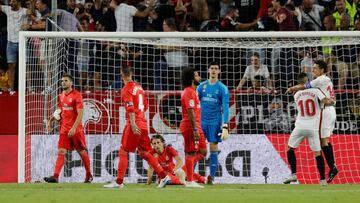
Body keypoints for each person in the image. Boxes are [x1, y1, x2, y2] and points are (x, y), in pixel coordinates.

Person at [104, 66, 171, 188]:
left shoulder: (126, 89)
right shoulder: (139, 87)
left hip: (134, 124)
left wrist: (133, 124)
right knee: (145, 153)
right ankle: (164, 176)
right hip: (144, 123)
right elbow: (145, 106)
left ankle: (119, 182)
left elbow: (130, 107)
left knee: (123, 151)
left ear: (121, 75)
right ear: (132, 74)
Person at [286, 60, 339, 183]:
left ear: (322, 70)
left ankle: (332, 167)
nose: (313, 70)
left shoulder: (320, 80)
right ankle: (332, 167)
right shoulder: (326, 80)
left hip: (325, 112)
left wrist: (292, 88)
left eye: (315, 68)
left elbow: (304, 86)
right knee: (324, 141)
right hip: (329, 110)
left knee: (323, 142)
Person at [44, 74, 93, 183]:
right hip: (64, 129)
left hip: (76, 130)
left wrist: (74, 128)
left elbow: (81, 114)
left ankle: (89, 174)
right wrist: (51, 120)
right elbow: (60, 111)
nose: (63, 82)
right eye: (62, 81)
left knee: (82, 152)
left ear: (71, 83)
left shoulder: (77, 95)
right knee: (61, 151)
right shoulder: (61, 96)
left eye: (66, 81)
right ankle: (55, 176)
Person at [196, 62, 229, 185]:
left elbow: (225, 107)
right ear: (208, 70)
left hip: (215, 121)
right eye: (212, 68)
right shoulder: (201, 86)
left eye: (216, 69)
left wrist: (225, 124)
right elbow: (195, 102)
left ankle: (212, 177)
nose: (214, 71)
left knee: (213, 148)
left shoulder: (222, 88)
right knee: (196, 148)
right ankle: (190, 176)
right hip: (201, 121)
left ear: (219, 71)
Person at [180, 67, 207, 188]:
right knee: (190, 152)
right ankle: (190, 181)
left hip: (196, 125)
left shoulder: (192, 91)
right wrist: (195, 129)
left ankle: (183, 170)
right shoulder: (189, 92)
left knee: (203, 151)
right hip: (191, 126)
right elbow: (190, 112)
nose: (199, 77)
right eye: (197, 75)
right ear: (191, 78)